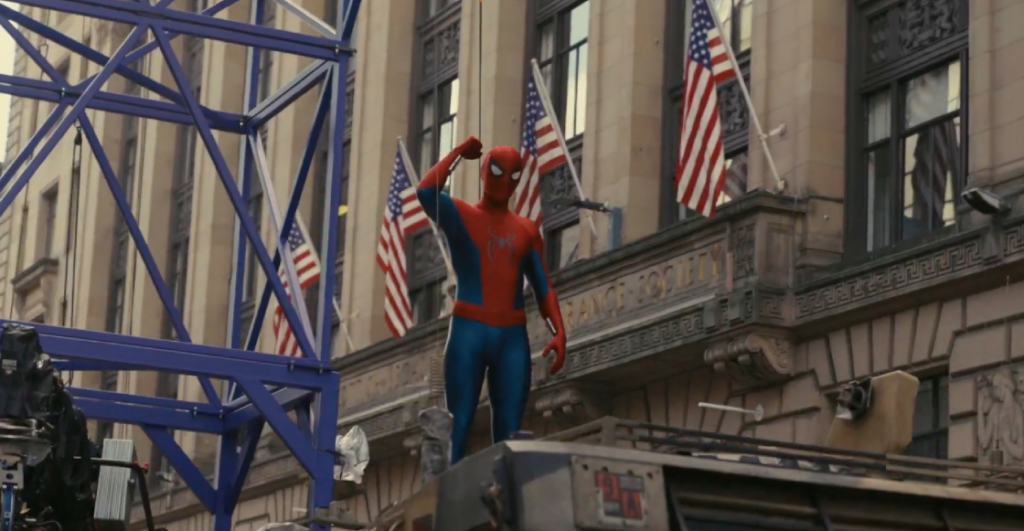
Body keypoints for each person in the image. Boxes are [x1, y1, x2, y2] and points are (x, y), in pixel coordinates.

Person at [416, 135, 567, 463]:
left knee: (510, 434)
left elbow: (543, 286)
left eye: (514, 175)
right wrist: (458, 152)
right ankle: (452, 490)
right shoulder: (462, 215)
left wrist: (559, 331)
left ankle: (505, 492)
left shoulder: (526, 230)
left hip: (510, 336)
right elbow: (426, 191)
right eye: (498, 171)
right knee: (458, 427)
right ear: (485, 171)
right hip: (470, 329)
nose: (505, 181)